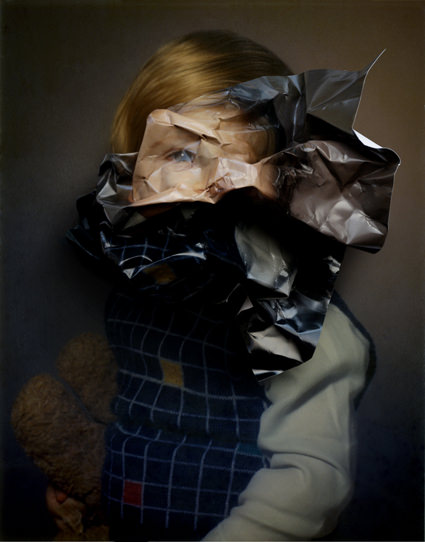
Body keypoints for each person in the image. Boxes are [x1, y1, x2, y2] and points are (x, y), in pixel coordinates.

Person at [47, 30, 374, 541]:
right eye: (181, 155)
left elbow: (311, 480)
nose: (200, 190)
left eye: (237, 172)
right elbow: (142, 417)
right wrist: (95, 490)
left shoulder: (289, 312)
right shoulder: (137, 282)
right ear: (129, 168)